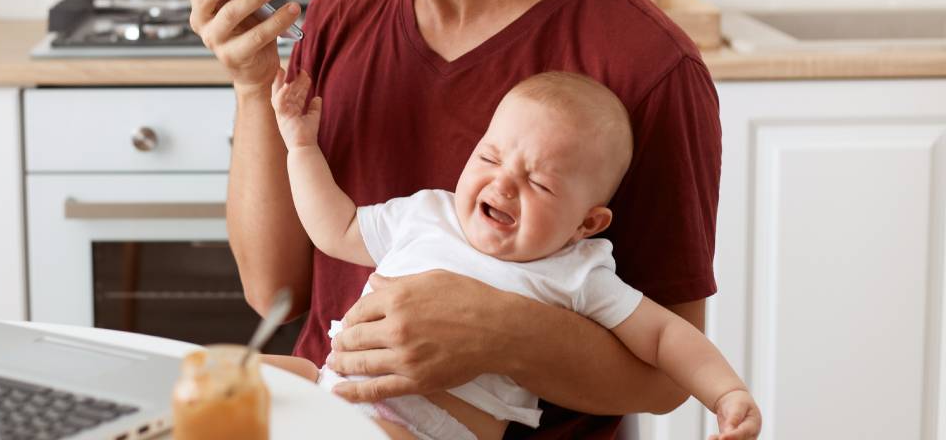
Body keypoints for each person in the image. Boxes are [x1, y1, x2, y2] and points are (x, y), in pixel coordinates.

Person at [174, 0, 723, 436]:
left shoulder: (645, 65)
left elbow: (663, 380)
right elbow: (273, 293)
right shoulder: (335, 22)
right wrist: (252, 87)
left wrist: (499, 331)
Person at [262, 71, 759, 440]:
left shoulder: (576, 272)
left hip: (429, 430)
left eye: (539, 183)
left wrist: (726, 393)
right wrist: (301, 147)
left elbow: (666, 335)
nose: (502, 183)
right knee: (233, 376)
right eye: (489, 157)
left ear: (586, 223)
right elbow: (336, 228)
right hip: (331, 385)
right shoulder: (428, 214)